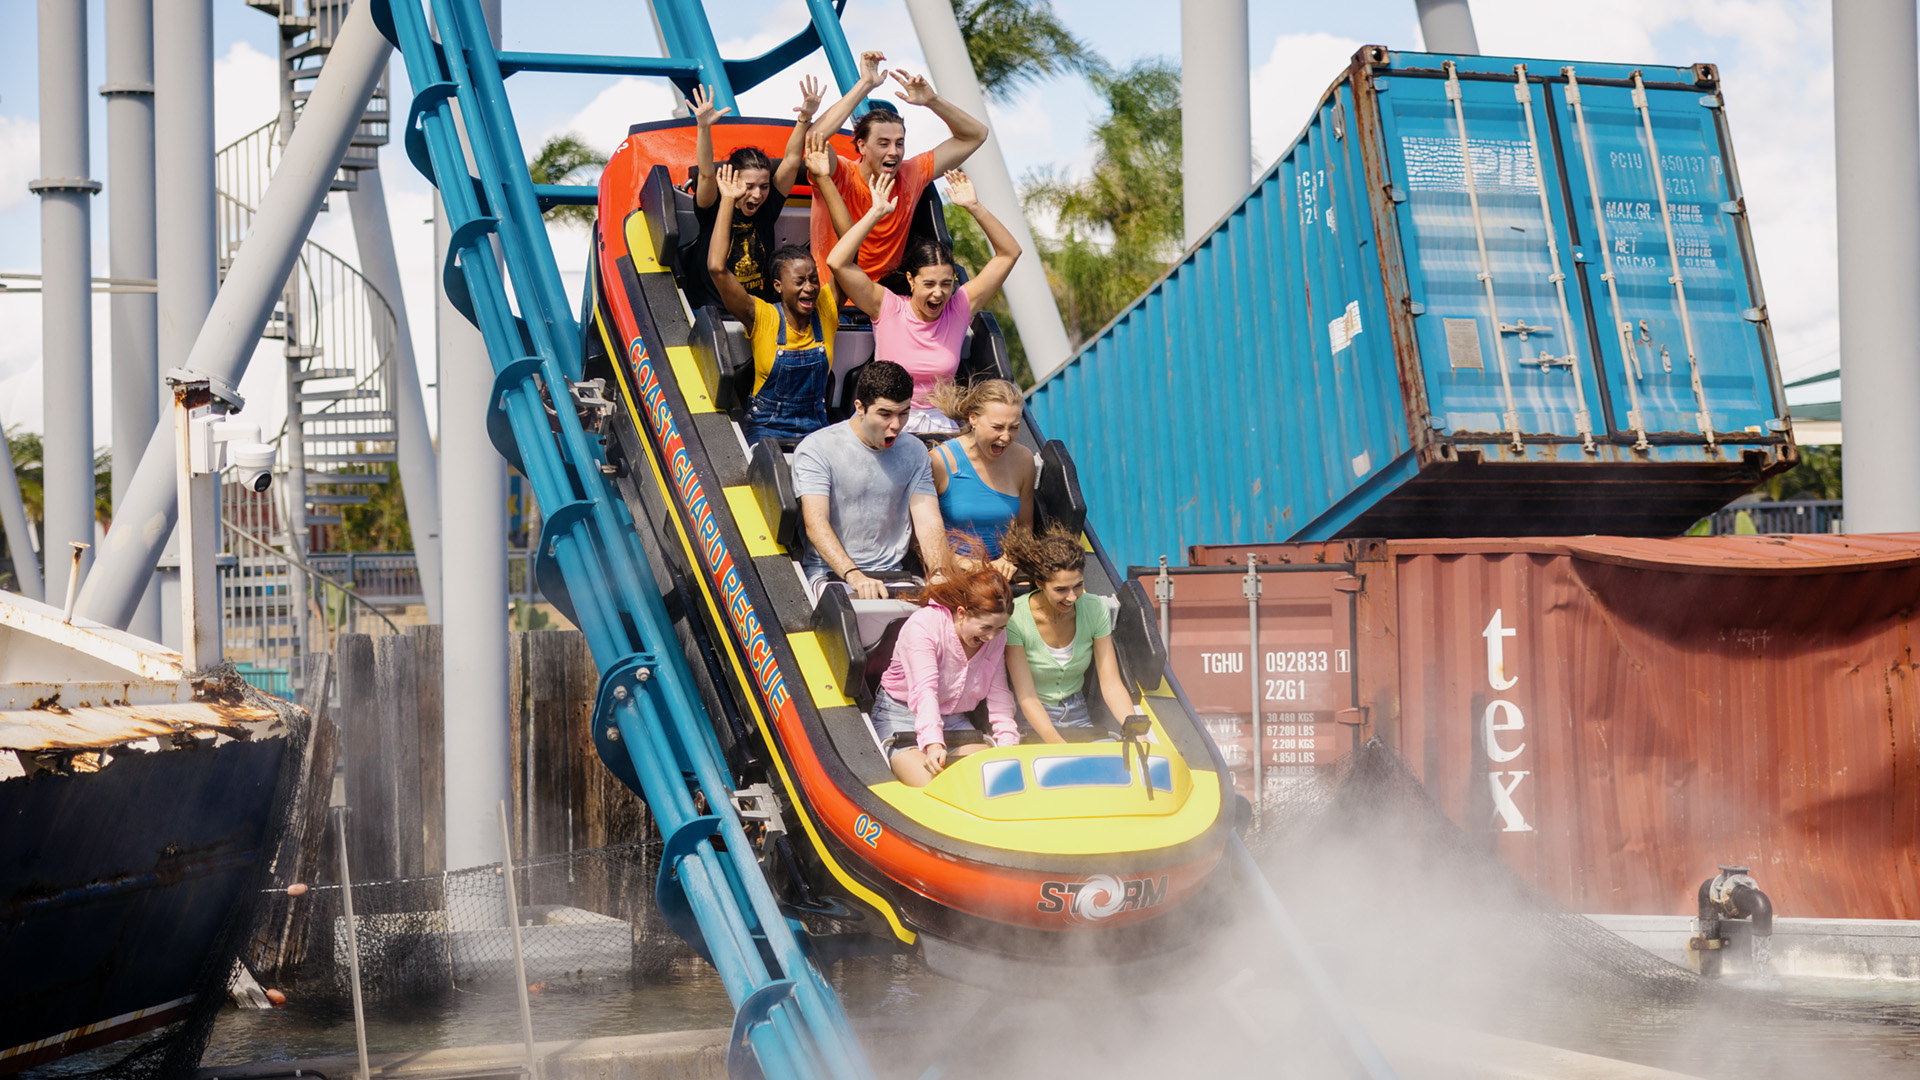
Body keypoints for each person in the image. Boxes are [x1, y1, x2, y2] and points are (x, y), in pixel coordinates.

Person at [827, 171, 1020, 433]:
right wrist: (875, 213)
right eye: (929, 284)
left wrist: (974, 207)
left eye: (946, 284)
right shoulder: (888, 306)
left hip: (940, 426)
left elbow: (1010, 253)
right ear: (911, 280)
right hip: (890, 422)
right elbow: (837, 262)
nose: (938, 294)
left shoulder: (959, 307)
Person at [682, 72, 866, 310]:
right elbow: (706, 173)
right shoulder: (714, 205)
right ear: (734, 181)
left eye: (764, 186)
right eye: (749, 187)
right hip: (713, 311)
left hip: (761, 312)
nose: (757, 195)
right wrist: (703, 128)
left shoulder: (766, 206)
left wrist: (805, 117)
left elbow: (791, 159)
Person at [707, 136, 850, 442]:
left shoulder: (825, 308)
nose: (810, 288)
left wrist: (823, 179)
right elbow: (717, 268)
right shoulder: (762, 316)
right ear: (777, 286)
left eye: (813, 278)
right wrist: (727, 201)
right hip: (766, 429)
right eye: (799, 282)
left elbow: (848, 243)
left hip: (816, 427)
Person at [807, 55, 988, 278]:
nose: (894, 151)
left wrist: (932, 100)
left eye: (899, 143)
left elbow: (975, 136)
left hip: (885, 299)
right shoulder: (840, 174)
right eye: (883, 144)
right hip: (833, 299)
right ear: (861, 146)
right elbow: (814, 139)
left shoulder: (911, 173)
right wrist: (865, 84)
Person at [791, 360, 948, 600]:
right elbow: (816, 521)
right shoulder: (817, 448)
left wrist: (938, 571)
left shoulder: (915, 452)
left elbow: (928, 520)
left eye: (903, 413)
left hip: (895, 576)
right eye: (885, 414)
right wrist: (853, 574)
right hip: (831, 576)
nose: (895, 425)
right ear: (860, 407)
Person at [870, 539, 1018, 786]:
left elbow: (999, 693)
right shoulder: (924, 626)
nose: (992, 636)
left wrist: (1009, 747)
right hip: (902, 716)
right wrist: (933, 743)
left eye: (1001, 627)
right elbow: (924, 690)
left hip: (954, 718)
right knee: (935, 786)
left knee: (991, 779)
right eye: (986, 627)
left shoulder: (996, 637)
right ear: (961, 613)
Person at [1001, 525, 1141, 744]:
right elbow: (1027, 697)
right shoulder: (1016, 617)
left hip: (1078, 714)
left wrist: (1135, 731)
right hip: (1033, 719)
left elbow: (1112, 685)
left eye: (1078, 586)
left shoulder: (1095, 609)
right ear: (1039, 584)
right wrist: (1058, 744)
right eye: (1060, 590)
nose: (1073, 597)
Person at [927, 379, 1032, 573]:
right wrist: (961, 563)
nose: (1006, 437)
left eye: (1014, 427)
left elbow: (1024, 528)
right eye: (997, 427)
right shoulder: (940, 462)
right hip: (954, 572)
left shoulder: (1024, 460)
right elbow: (919, 536)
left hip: (1002, 573)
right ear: (973, 418)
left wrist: (1008, 559)